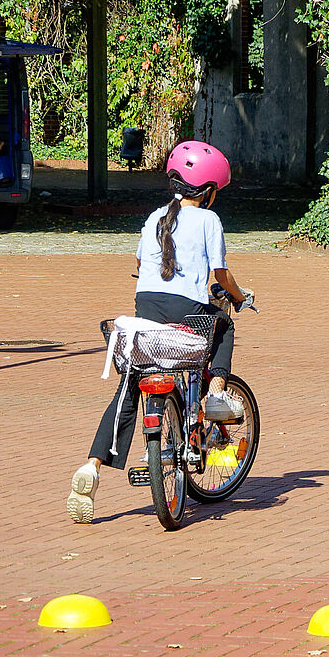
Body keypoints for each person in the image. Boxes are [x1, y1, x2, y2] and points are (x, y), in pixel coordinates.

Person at [66, 141, 254, 523]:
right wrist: (239, 296)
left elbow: (140, 262)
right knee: (224, 327)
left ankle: (91, 468)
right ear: (210, 190)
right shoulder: (209, 220)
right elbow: (220, 275)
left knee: (129, 391)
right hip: (186, 314)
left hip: (145, 312)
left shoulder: (155, 218)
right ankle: (216, 395)